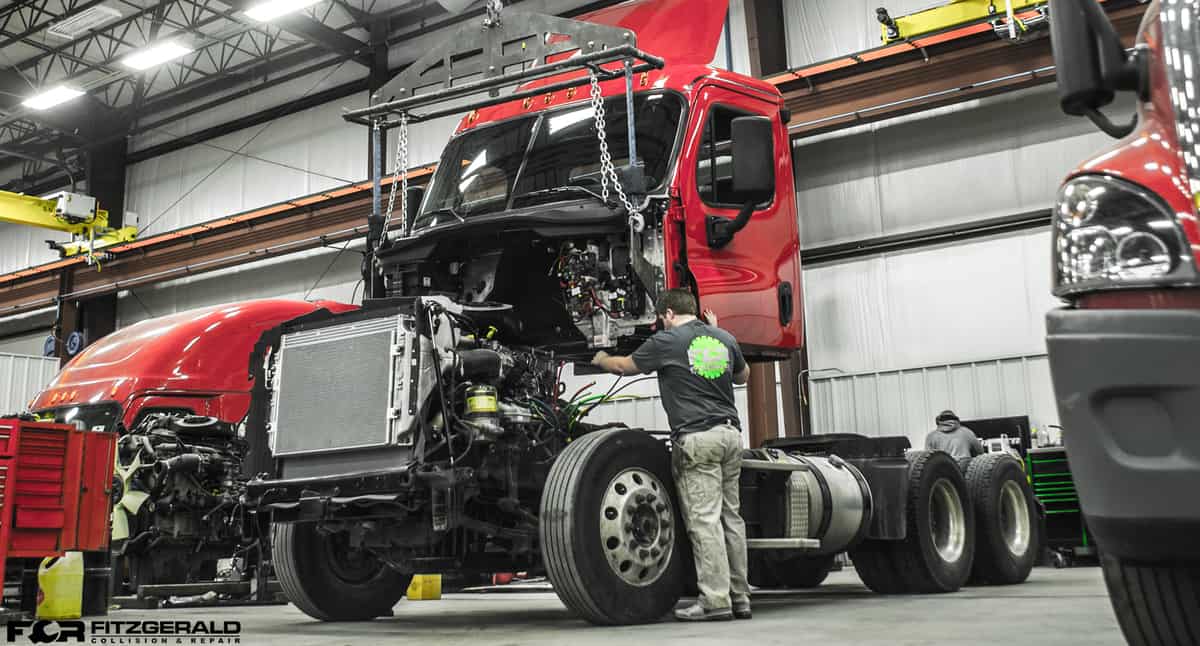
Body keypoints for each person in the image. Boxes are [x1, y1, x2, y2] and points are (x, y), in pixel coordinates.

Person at [591, 288, 752, 622]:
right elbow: (743, 375)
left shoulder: (668, 341)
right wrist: (716, 334)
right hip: (730, 436)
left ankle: (715, 601)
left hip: (698, 438)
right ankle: (740, 597)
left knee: (704, 522)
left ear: (666, 314)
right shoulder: (722, 337)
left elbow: (624, 366)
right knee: (731, 520)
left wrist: (601, 358)